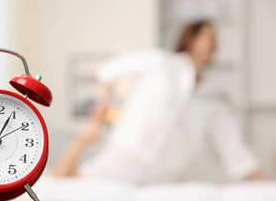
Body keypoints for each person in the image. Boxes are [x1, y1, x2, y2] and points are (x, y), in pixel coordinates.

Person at [53, 19, 266, 184]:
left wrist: (264, 184)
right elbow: (107, 71)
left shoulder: (212, 99)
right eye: (210, 36)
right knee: (69, 182)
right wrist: (96, 121)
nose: (217, 44)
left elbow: (234, 150)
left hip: (162, 176)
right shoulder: (160, 63)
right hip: (127, 153)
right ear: (191, 39)